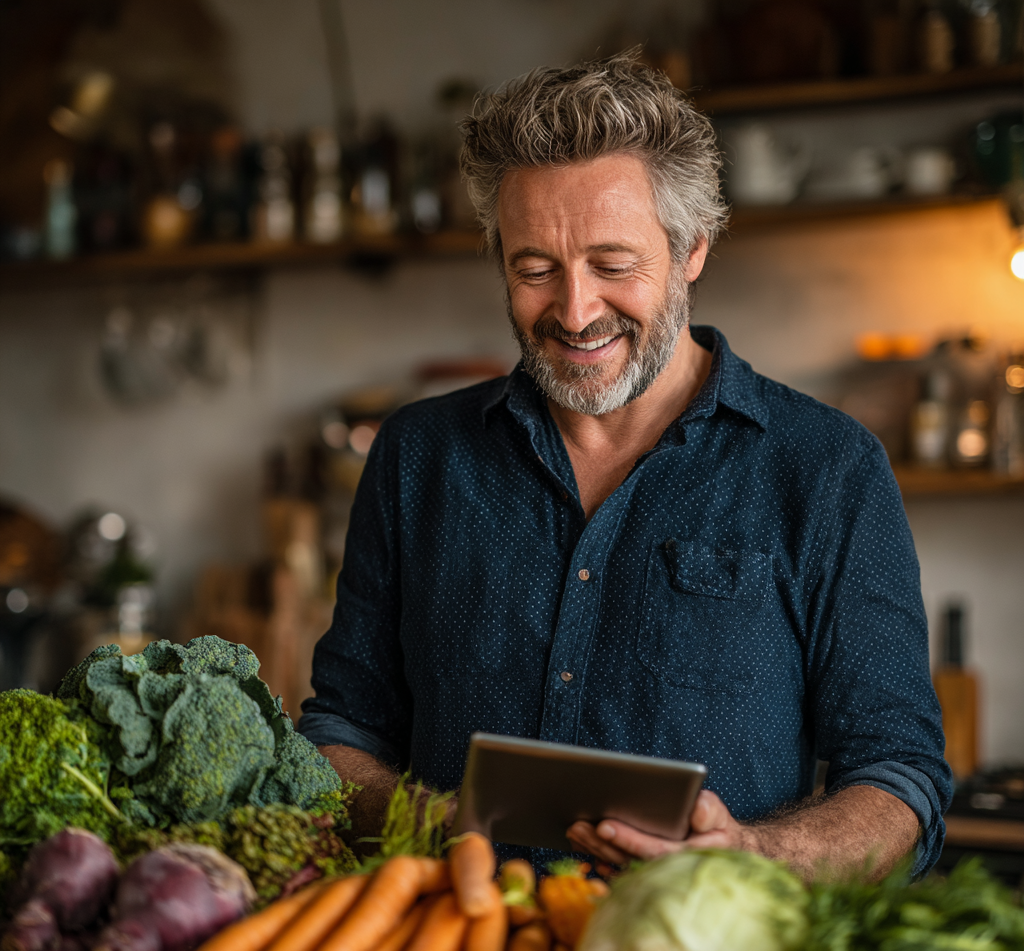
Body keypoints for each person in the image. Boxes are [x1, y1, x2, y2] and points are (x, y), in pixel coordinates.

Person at [298, 53, 951, 881]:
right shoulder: (416, 457)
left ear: (692, 252)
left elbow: (900, 781)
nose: (574, 311)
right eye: (534, 269)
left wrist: (757, 855)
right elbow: (341, 732)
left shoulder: (826, 469)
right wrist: (437, 826)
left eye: (613, 265)